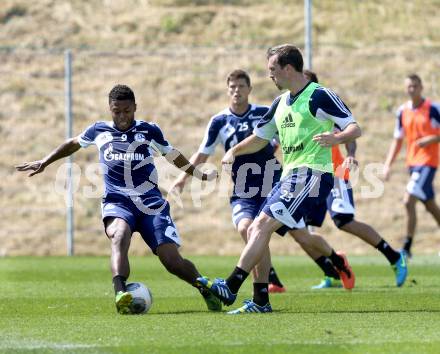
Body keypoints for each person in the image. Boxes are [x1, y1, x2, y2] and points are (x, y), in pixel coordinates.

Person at [15, 84, 222, 314]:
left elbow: (172, 155)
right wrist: (45, 161)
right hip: (118, 201)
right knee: (119, 236)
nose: (122, 117)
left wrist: (198, 173)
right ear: (110, 109)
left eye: (127, 111)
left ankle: (205, 288)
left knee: (171, 260)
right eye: (117, 111)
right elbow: (73, 143)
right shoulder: (99, 130)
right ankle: (121, 292)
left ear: (135, 107)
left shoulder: (149, 130)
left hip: (150, 203)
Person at [197, 44, 362, 314]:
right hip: (290, 176)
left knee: (261, 226)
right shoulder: (281, 102)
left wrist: (337, 138)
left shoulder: (319, 95)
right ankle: (261, 301)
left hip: (313, 175)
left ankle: (231, 285)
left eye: (272, 70)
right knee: (254, 229)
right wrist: (233, 151)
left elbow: (355, 127)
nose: (269, 76)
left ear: (287, 68)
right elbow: (261, 138)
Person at [170, 69, 287, 293]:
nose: (237, 91)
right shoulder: (220, 121)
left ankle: (332, 261)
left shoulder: (263, 113)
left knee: (300, 234)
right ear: (227, 90)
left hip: (273, 182)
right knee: (247, 228)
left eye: (241, 86)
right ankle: (264, 288)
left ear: (249, 89)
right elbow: (202, 153)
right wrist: (182, 178)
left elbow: (284, 138)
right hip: (243, 187)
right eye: (232, 87)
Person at [303, 70, 408, 289]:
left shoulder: (323, 104)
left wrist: (351, 155)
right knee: (299, 227)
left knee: (344, 221)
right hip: (307, 176)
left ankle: (394, 256)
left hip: (335, 173)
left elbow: (350, 132)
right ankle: (331, 272)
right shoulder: (292, 109)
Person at [383, 74, 440, 258]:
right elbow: (397, 140)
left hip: (428, 163)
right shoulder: (403, 111)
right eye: (409, 86)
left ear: (421, 87)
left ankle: (406, 248)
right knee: (430, 206)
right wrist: (387, 164)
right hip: (413, 164)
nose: (412, 89)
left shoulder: (432, 108)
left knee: (408, 201)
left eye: (415, 86)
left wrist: (432, 139)